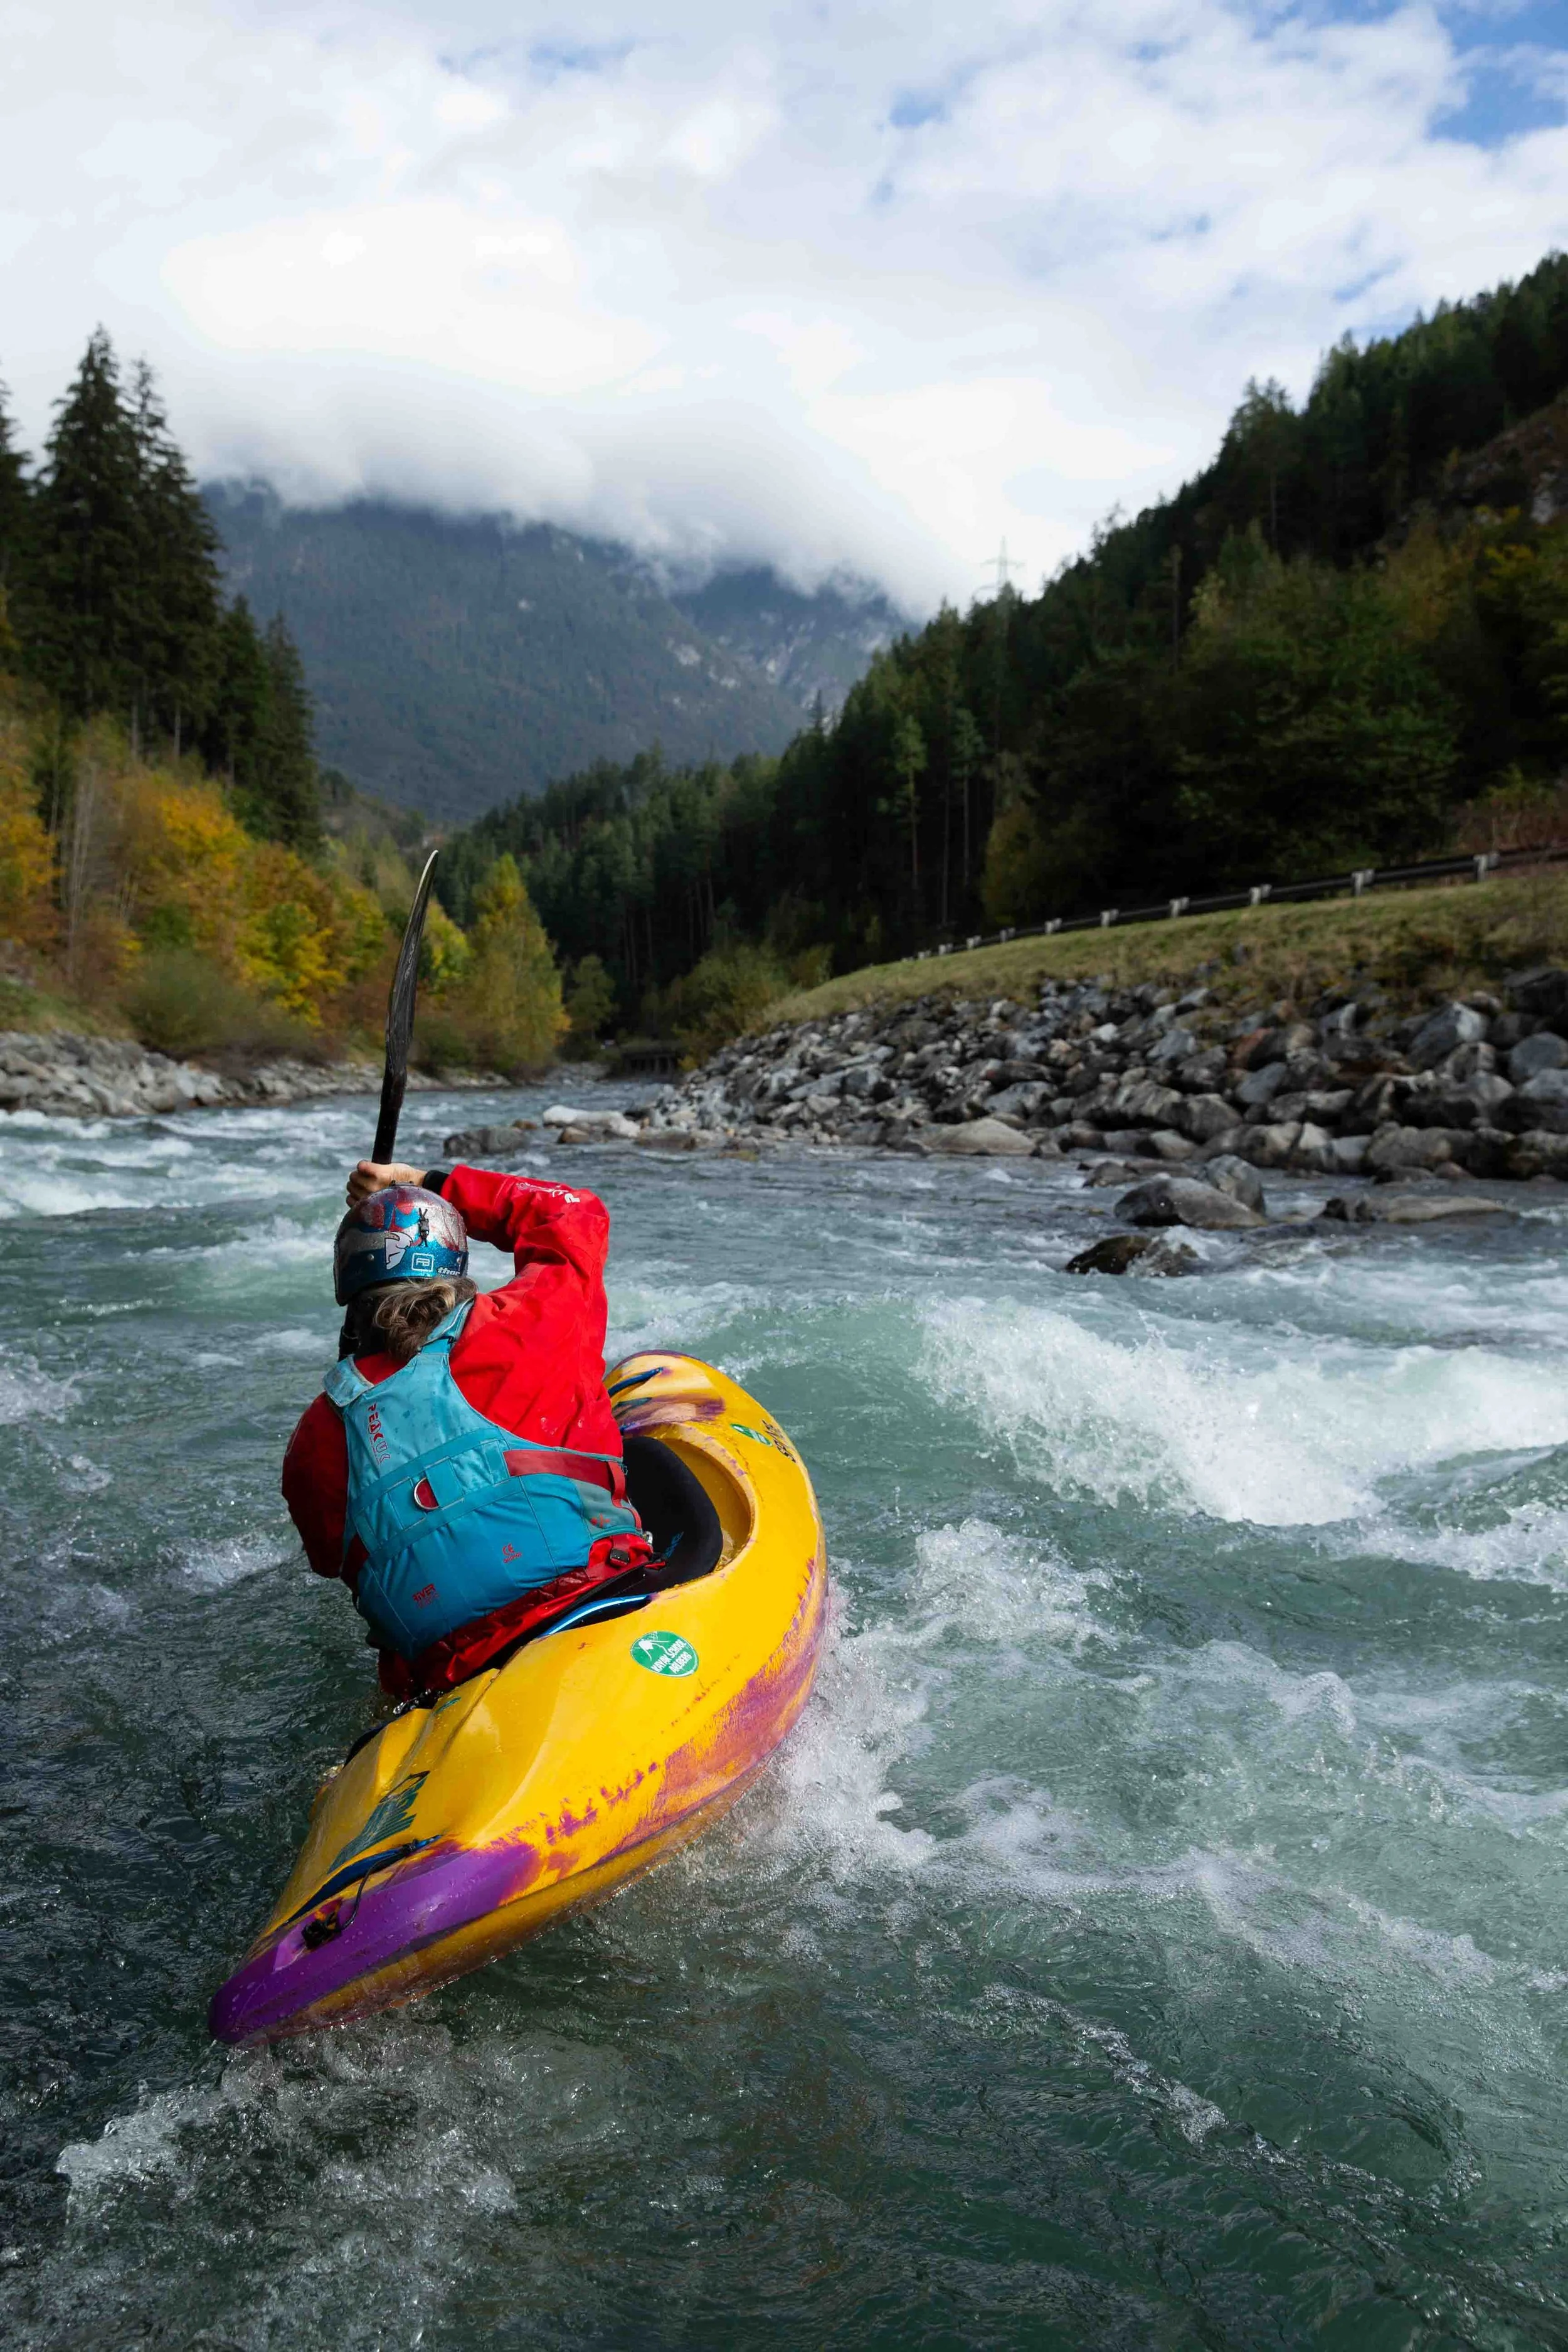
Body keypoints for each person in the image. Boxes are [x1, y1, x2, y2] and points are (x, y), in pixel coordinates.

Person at [282, 1158, 653, 1698]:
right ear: (453, 1258)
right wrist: (429, 1182)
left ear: (350, 1285)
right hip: (597, 1605)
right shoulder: (527, 1322)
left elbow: (331, 1561)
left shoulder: (315, 1435)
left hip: (452, 1681)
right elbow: (571, 1214)